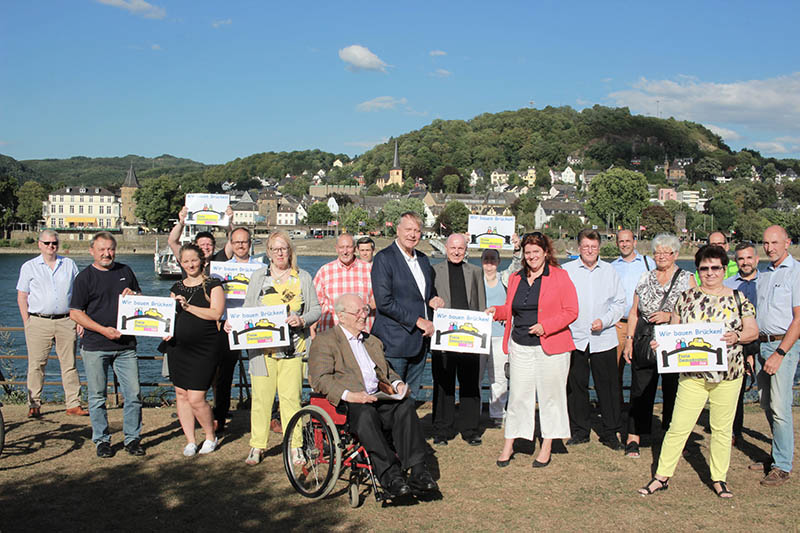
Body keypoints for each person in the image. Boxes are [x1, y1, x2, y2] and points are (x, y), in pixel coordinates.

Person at [638, 245, 757, 498]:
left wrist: (737, 336)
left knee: (722, 429)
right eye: (704, 268)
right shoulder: (685, 297)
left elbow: (753, 331)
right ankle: (661, 476)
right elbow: (674, 331)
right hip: (693, 376)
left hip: (728, 375)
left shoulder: (738, 298)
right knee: (678, 427)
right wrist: (662, 343)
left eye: (715, 268)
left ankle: (719, 478)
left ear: (724, 269)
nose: (710, 273)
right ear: (698, 270)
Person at [308, 293, 438, 498]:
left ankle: (418, 472)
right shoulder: (326, 341)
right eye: (358, 312)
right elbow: (319, 379)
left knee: (405, 406)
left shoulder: (372, 341)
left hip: (377, 396)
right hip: (348, 402)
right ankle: (390, 476)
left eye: (365, 310)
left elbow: (385, 371)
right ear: (341, 316)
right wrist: (349, 395)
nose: (363, 315)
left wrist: (398, 384)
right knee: (366, 414)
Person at [489, 232, 578, 468]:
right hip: (520, 346)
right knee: (518, 396)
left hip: (552, 347)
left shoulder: (560, 276)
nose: (531, 257)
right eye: (527, 253)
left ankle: (547, 445)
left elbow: (571, 311)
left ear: (546, 253)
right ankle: (509, 444)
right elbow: (510, 309)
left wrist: (545, 327)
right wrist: (496, 311)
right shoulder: (517, 278)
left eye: (536, 252)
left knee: (551, 397)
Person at [237, 231, 320, 466]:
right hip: (262, 352)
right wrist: (235, 323)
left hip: (293, 350)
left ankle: (295, 446)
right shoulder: (258, 277)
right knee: (261, 400)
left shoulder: (302, 277)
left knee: (291, 399)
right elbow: (247, 309)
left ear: (290, 251)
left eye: (284, 248)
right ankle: (257, 445)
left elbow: (316, 309)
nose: (280, 253)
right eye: (275, 249)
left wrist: (302, 320)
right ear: (269, 253)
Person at [69, 232, 144, 458]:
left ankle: (132, 439)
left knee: (134, 394)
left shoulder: (125, 271)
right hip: (95, 346)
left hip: (125, 346)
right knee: (97, 396)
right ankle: (102, 440)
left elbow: (141, 300)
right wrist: (102, 330)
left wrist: (135, 295)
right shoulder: (84, 278)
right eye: (101, 249)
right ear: (92, 250)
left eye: (110, 248)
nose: (106, 253)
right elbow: (75, 313)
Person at [622, 233, 696, 458]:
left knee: (674, 390)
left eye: (667, 252)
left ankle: (671, 436)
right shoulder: (645, 278)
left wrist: (669, 315)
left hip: (675, 341)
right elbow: (634, 313)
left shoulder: (687, 278)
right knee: (640, 389)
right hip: (645, 338)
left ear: (675, 255)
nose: (661, 256)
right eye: (657, 252)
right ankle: (634, 437)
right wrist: (629, 340)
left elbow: (694, 313)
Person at [563, 229, 626, 449]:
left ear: (599, 248)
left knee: (608, 388)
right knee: (576, 386)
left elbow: (620, 303)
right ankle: (580, 430)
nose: (590, 250)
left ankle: (610, 432)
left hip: (604, 337)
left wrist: (605, 320)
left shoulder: (610, 271)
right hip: (575, 337)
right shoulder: (566, 270)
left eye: (594, 247)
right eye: (586, 246)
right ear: (579, 247)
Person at [371, 212, 444, 400]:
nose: (412, 235)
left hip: (419, 343)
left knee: (410, 398)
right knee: (391, 398)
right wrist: (418, 321)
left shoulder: (423, 259)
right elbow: (384, 302)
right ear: (398, 230)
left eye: (417, 231)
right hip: (394, 343)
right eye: (408, 230)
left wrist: (433, 299)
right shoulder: (384, 259)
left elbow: (425, 294)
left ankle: (406, 430)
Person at [17, 230, 87, 418]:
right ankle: (34, 403)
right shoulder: (29, 267)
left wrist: (80, 318)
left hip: (66, 320)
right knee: (36, 364)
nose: (51, 246)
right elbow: (22, 296)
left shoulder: (69, 264)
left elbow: (79, 293)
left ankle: (73, 404)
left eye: (54, 243)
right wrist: (27, 322)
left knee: (69, 364)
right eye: (47, 243)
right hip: (38, 321)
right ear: (39, 244)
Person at [163, 243, 225, 457]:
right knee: (181, 394)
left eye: (194, 260)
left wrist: (188, 307)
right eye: (186, 261)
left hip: (204, 349)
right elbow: (168, 317)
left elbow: (216, 314)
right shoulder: (176, 288)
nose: (190, 264)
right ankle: (190, 439)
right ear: (181, 263)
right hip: (178, 348)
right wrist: (165, 330)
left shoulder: (214, 285)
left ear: (202, 261)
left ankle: (210, 436)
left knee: (197, 397)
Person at [751, 225, 800, 486]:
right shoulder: (765, 275)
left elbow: (799, 319)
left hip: (782, 346)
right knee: (767, 404)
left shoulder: (796, 272)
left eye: (774, 242)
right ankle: (775, 454)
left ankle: (782, 465)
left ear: (787, 243)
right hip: (762, 345)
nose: (769, 247)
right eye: (766, 243)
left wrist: (781, 352)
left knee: (780, 407)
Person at [431, 233, 486, 446]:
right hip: (444, 338)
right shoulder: (434, 271)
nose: (456, 252)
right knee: (443, 384)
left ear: (466, 250)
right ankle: (442, 430)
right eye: (453, 248)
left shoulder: (476, 272)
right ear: (446, 248)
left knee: (470, 384)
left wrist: (481, 332)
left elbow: (480, 304)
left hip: (469, 338)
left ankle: (470, 429)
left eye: (460, 248)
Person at [213, 226, 263, 433]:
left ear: (250, 243)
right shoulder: (221, 269)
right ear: (231, 244)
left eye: (244, 242)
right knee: (224, 375)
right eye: (236, 242)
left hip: (255, 324)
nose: (241, 245)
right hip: (229, 325)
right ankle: (220, 416)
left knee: (260, 373)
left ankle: (264, 418)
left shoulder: (261, 267)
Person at [723, 241, 760, 446]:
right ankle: (733, 431)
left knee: (767, 394)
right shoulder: (729, 285)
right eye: (741, 259)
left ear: (756, 259)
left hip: (763, 339)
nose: (745, 262)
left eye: (748, 258)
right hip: (738, 343)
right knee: (734, 389)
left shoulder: (766, 281)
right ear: (736, 261)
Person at [313, 233, 374, 334]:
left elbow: (379, 299)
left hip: (363, 334)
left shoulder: (369, 270)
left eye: (349, 247)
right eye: (341, 247)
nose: (345, 252)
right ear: (336, 248)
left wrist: (365, 309)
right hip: (332, 334)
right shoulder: (324, 271)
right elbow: (315, 304)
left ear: (355, 249)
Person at [611, 230, 653, 369]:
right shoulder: (611, 267)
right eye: (621, 241)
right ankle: (616, 392)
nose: (624, 244)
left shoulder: (648, 263)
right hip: (619, 325)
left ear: (634, 242)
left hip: (642, 324)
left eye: (628, 241)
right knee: (615, 370)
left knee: (642, 368)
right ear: (617, 243)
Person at [481, 248, 508, 428]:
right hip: (478, 335)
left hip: (499, 336)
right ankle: (473, 411)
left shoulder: (505, 279)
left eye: (493, 259)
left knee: (499, 378)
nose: (489, 263)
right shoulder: (475, 278)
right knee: (473, 377)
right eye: (486, 259)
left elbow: (517, 263)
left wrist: (515, 247)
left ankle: (498, 414)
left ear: (498, 262)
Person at [168, 205, 234, 267]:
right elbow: (172, 242)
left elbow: (234, 241)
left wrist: (229, 222)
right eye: (202, 244)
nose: (206, 247)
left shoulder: (220, 259)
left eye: (209, 244)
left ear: (214, 246)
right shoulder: (188, 262)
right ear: (196, 246)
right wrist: (181, 222)